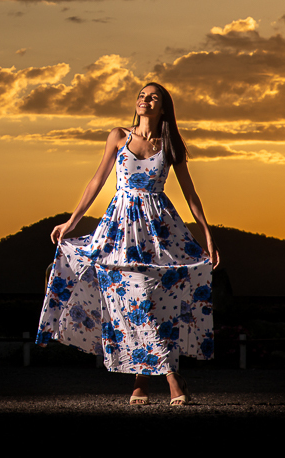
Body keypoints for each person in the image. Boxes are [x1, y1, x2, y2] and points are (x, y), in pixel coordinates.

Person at [35, 82, 219, 405]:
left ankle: (143, 381)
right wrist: (72, 221)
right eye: (141, 95)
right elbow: (97, 180)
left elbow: (190, 193)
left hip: (159, 233)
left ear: (163, 107)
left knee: (152, 302)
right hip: (119, 230)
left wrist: (207, 234)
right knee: (131, 302)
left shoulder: (169, 144)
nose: (145, 100)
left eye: (153, 97)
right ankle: (170, 378)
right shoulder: (119, 136)